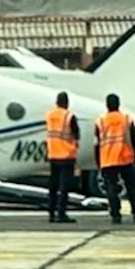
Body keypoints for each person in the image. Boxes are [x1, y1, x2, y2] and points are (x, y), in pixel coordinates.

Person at [95, 93, 135, 224]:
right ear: (118, 104)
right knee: (132, 188)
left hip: (107, 160)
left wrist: (98, 162)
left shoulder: (100, 121)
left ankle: (116, 216)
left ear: (107, 105)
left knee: (111, 188)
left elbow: (96, 143)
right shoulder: (126, 119)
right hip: (125, 158)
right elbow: (134, 139)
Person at [45, 91, 79, 224]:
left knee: (53, 186)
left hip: (53, 154)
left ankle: (51, 213)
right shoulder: (69, 116)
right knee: (64, 187)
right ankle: (61, 213)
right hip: (66, 156)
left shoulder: (49, 115)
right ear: (67, 103)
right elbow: (76, 134)